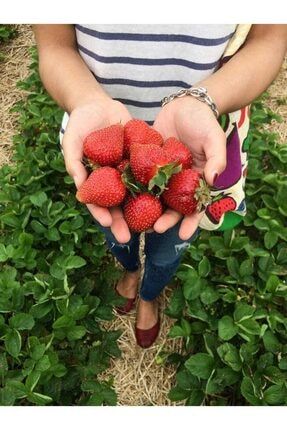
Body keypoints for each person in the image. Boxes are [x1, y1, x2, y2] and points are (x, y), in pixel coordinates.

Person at [34, 24, 287, 348]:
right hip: (98, 132)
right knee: (117, 233)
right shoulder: (107, 171)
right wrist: (84, 100)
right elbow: (55, 47)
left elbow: (268, 39)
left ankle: (150, 294)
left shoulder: (179, 172)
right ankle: (130, 270)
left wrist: (204, 100)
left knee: (169, 247)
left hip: (192, 147)